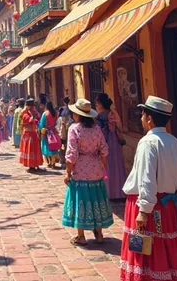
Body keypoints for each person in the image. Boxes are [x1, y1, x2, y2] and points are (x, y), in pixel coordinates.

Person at [120, 96, 177, 281]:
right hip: (169, 208)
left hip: (148, 206)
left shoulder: (148, 143)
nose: (141, 119)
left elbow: (147, 180)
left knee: (146, 250)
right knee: (169, 248)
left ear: (149, 118)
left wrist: (144, 210)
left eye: (143, 115)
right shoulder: (175, 144)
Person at [62, 98, 113, 245]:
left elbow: (71, 154)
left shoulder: (75, 129)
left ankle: (81, 236)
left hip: (80, 169)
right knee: (96, 199)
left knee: (81, 200)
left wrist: (67, 172)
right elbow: (104, 150)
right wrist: (104, 168)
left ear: (77, 115)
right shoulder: (97, 129)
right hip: (96, 168)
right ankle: (99, 233)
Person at [95, 93, 126, 199]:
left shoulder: (99, 117)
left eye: (97, 104)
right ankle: (119, 192)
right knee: (117, 166)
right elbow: (120, 127)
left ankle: (107, 193)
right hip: (116, 143)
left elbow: (98, 132)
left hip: (105, 144)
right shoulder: (114, 114)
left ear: (100, 104)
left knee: (106, 167)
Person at [19, 97, 44, 172]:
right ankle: (31, 166)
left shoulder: (34, 112)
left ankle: (37, 164)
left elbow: (39, 118)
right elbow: (29, 120)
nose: (33, 108)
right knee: (30, 149)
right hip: (28, 134)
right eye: (32, 106)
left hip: (34, 133)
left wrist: (35, 114)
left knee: (36, 149)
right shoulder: (24, 114)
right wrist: (33, 115)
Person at [39, 100, 61, 168]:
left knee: (47, 147)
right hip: (54, 131)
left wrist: (40, 130)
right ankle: (54, 162)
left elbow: (42, 124)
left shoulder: (45, 114)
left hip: (46, 132)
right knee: (54, 146)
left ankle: (49, 163)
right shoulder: (55, 113)